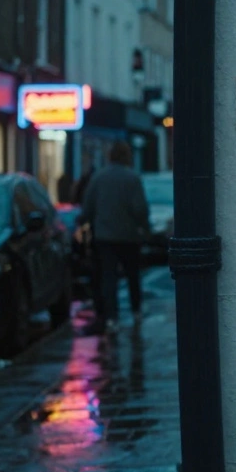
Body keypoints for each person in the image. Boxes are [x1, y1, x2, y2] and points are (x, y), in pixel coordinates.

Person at [77, 141, 150, 333]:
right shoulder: (132, 178)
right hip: (129, 236)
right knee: (132, 275)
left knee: (108, 278)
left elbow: (87, 207)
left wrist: (85, 223)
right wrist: (144, 229)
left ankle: (111, 318)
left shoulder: (99, 178)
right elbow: (140, 209)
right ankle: (136, 311)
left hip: (105, 237)